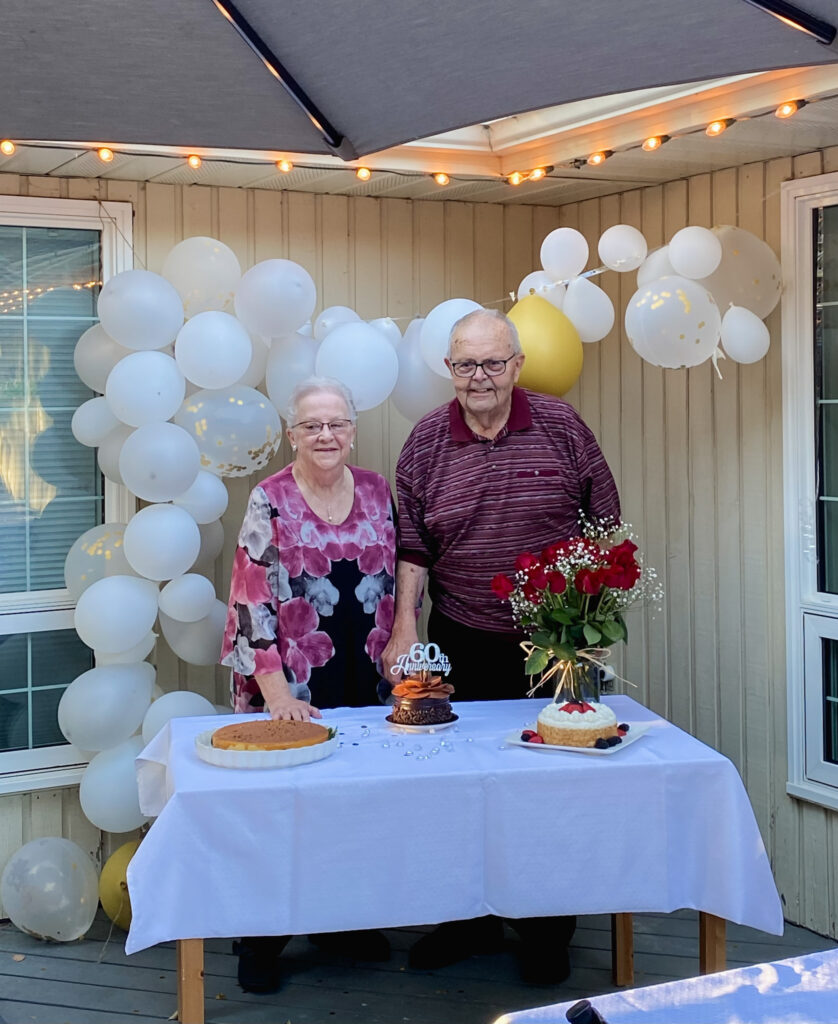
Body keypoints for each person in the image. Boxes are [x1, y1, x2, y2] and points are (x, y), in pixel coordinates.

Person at [381, 308, 620, 985]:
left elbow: (604, 525)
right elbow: (412, 548)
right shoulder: (426, 441)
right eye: (466, 364)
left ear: (516, 365)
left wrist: (589, 623)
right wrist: (405, 626)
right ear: (448, 369)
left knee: (550, 789)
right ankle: (467, 920)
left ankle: (546, 931)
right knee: (459, 786)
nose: (479, 376)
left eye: (492, 362)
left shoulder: (563, 426)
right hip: (460, 637)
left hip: (555, 645)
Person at [220, 376, 396, 993]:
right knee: (280, 812)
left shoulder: (376, 490)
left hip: (365, 677)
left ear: (353, 430)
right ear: (291, 435)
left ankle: (339, 923)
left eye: (336, 424)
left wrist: (400, 658)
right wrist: (277, 698)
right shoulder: (268, 499)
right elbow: (249, 599)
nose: (326, 435)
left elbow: (397, 583)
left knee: (353, 805)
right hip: (293, 684)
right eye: (311, 425)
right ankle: (262, 939)